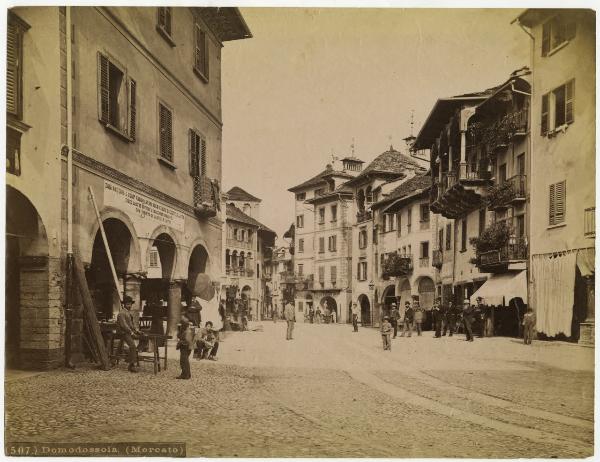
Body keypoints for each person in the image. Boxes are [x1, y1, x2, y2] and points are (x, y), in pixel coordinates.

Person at [116, 295, 142, 373]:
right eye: (127, 304)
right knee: (132, 346)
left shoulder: (128, 313)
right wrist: (131, 333)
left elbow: (131, 325)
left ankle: (132, 355)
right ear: (124, 304)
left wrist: (137, 331)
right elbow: (124, 325)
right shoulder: (121, 313)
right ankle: (131, 365)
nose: (129, 305)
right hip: (123, 332)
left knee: (144, 339)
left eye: (130, 304)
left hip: (128, 331)